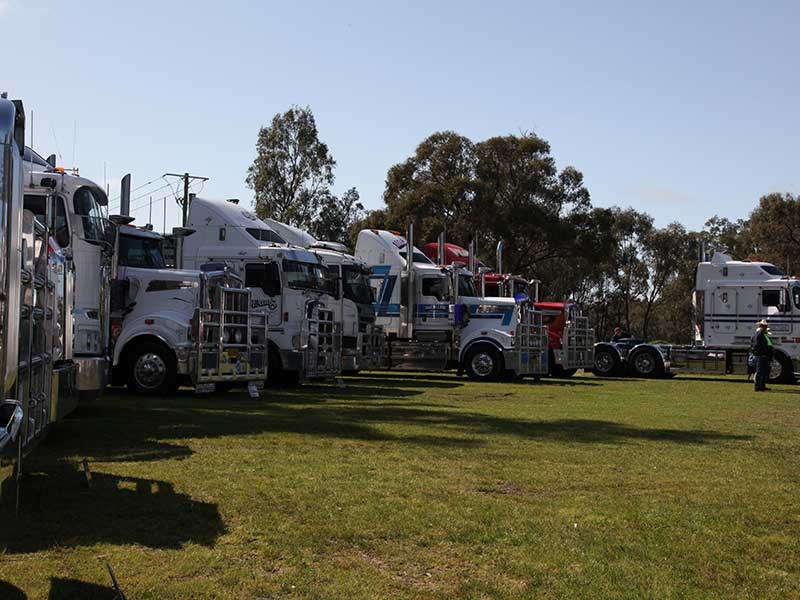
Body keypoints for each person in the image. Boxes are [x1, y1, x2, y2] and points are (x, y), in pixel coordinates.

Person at [751, 320, 773, 392]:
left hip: (764, 355)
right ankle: (757, 387)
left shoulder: (763, 334)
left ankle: (762, 386)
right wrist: (761, 353)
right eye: (764, 326)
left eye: (766, 326)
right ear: (760, 326)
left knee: (763, 372)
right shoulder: (759, 334)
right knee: (759, 371)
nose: (766, 327)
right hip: (761, 355)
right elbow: (756, 346)